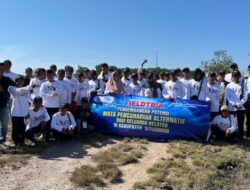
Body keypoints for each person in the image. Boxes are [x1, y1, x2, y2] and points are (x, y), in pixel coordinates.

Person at [8, 75, 33, 145]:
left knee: (23, 128)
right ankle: (15, 142)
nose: (20, 82)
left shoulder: (26, 90)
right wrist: (29, 87)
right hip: (15, 112)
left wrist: (38, 103)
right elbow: (17, 92)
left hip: (24, 112)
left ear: (24, 82)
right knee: (15, 129)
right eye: (18, 81)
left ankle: (21, 142)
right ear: (15, 82)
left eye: (22, 81)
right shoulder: (11, 88)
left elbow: (30, 99)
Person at [40, 69, 63, 141]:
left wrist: (57, 93)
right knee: (47, 121)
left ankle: (56, 137)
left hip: (55, 105)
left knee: (55, 121)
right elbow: (41, 94)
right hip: (46, 106)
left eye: (51, 74)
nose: (49, 76)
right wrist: (51, 95)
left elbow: (61, 92)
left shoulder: (58, 83)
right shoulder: (44, 84)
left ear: (53, 75)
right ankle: (47, 137)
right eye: (48, 75)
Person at [225, 70, 248, 140]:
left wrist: (240, 103)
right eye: (234, 76)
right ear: (232, 77)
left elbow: (245, 96)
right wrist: (233, 103)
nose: (236, 77)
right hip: (231, 107)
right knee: (232, 123)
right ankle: (232, 135)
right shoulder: (229, 85)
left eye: (237, 75)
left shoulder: (243, 85)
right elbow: (227, 96)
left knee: (240, 122)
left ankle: (240, 136)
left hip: (241, 107)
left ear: (240, 76)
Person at [0, 62, 15, 144]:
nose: (1, 70)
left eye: (2, 69)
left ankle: (2, 139)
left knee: (4, 124)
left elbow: (17, 86)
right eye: (0, 69)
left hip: (3, 104)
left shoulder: (6, 79)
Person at [245, 65, 250, 137]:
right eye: (249, 70)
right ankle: (248, 132)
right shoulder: (245, 80)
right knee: (248, 117)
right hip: (247, 100)